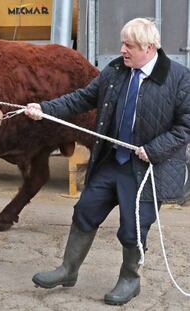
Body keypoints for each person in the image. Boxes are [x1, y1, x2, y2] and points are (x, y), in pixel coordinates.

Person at [25, 18, 190, 305]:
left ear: (149, 48)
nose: (122, 50)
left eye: (129, 45)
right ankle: (68, 269)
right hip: (112, 161)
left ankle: (130, 280)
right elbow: (81, 99)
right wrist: (45, 108)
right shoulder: (115, 71)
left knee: (133, 228)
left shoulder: (179, 78)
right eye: (123, 43)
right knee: (85, 211)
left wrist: (154, 149)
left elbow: (185, 127)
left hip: (146, 169)